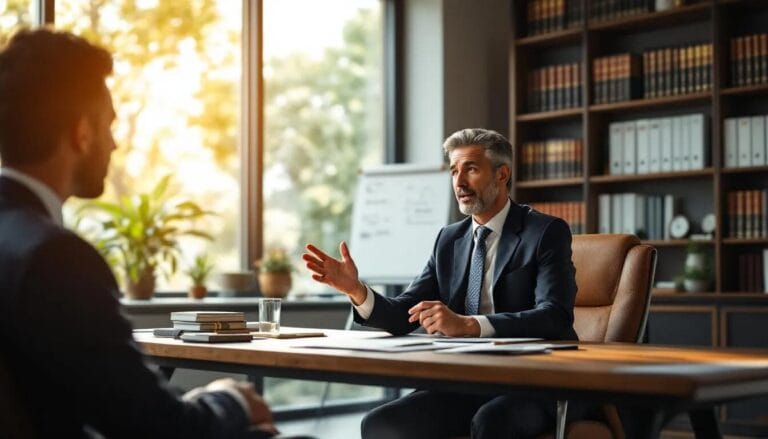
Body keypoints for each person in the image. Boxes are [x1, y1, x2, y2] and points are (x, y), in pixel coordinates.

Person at [0, 28, 288, 439]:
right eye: (109, 126)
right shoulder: (55, 258)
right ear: (82, 133)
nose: (114, 143)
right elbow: (153, 428)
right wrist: (232, 399)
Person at [303, 128, 579, 439]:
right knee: (381, 424)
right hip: (466, 382)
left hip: (532, 384)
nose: (459, 183)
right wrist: (356, 290)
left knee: (491, 423)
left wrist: (470, 325)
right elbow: (403, 313)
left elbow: (554, 316)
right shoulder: (449, 240)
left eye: (471, 169)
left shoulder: (544, 232)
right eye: (454, 171)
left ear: (502, 175)